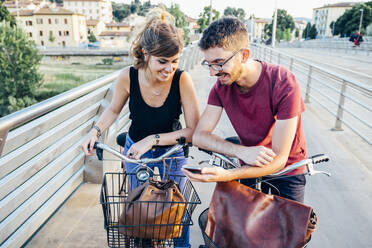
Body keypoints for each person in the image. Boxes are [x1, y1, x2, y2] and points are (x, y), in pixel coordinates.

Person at [81, 10, 199, 248]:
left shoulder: (182, 80)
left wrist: (153, 140)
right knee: (139, 213)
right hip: (135, 151)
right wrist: (95, 131)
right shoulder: (128, 77)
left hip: (170, 153)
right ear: (146, 54)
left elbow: (194, 131)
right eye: (162, 62)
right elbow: (113, 110)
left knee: (177, 214)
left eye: (175, 61)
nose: (169, 69)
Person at [182, 17, 308, 203]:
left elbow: (280, 159)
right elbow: (200, 136)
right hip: (248, 163)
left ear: (244, 55)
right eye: (209, 64)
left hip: (287, 172)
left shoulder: (282, 82)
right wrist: (241, 152)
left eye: (219, 62)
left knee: (286, 231)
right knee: (241, 229)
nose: (213, 72)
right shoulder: (221, 87)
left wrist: (227, 175)